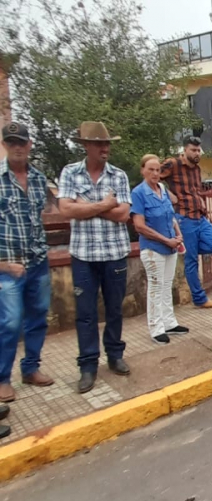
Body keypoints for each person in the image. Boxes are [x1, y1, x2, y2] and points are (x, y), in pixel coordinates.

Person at [57, 121, 133, 394]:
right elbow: (66, 209)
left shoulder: (119, 176)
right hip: (84, 255)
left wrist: (84, 206)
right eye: (100, 143)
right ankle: (88, 365)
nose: (106, 148)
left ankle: (114, 355)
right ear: (86, 146)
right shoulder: (70, 173)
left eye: (108, 143)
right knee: (86, 313)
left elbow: (123, 214)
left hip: (113, 253)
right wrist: (104, 205)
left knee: (114, 308)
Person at [0, 122, 54, 437]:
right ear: (5, 145)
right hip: (7, 266)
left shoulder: (37, 179)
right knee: (9, 321)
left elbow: (40, 217)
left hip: (38, 262)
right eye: (12, 142)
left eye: (22, 142)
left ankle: (30, 368)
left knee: (38, 318)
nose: (17, 147)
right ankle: (3, 378)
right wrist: (4, 264)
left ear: (29, 145)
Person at [160, 136, 212, 309]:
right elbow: (152, 177)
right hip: (184, 217)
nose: (197, 153)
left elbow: (196, 191)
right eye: (193, 150)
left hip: (200, 217)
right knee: (191, 261)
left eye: (198, 150)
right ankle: (199, 298)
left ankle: (191, 248)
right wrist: (167, 193)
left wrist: (202, 205)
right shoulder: (172, 164)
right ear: (185, 150)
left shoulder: (196, 169)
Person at [130, 154, 187, 345]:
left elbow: (170, 215)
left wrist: (177, 236)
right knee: (155, 286)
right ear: (143, 171)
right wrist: (166, 240)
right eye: (151, 170)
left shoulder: (162, 189)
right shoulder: (139, 193)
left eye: (157, 170)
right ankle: (156, 327)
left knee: (166, 285)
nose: (155, 174)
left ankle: (169, 322)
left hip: (170, 245)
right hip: (154, 248)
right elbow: (140, 226)